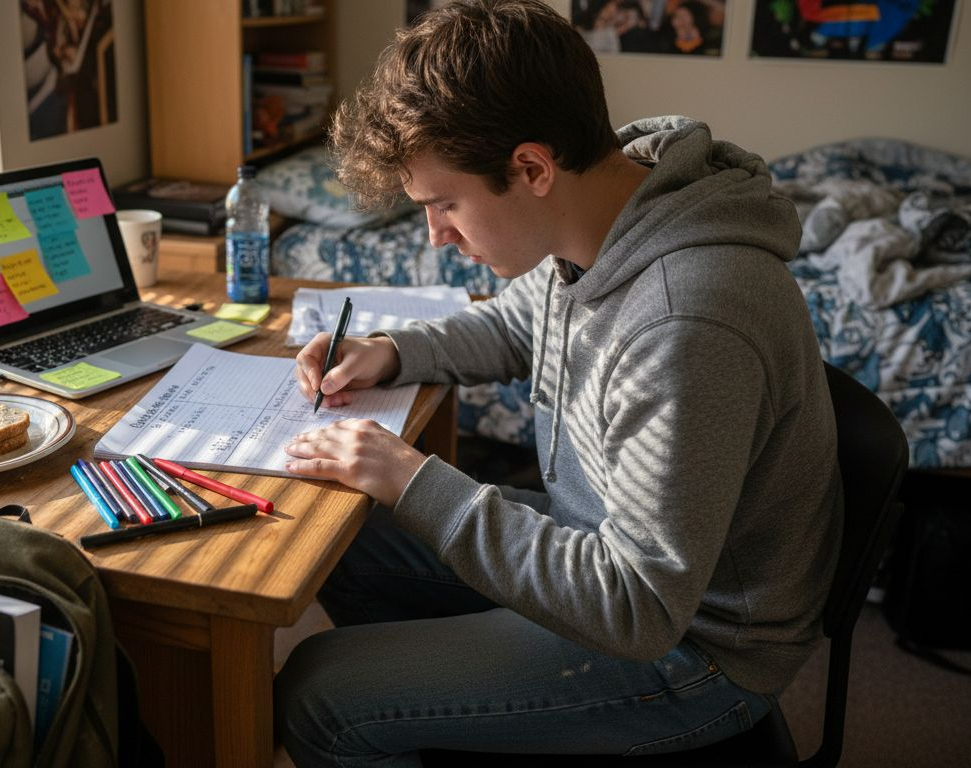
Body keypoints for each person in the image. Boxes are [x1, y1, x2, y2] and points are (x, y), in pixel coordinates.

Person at [273, 0, 843, 764]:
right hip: (609, 553)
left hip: (694, 649)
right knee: (344, 535)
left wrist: (415, 480)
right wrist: (390, 351)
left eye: (446, 204)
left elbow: (637, 607)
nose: (437, 236)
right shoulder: (610, 216)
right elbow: (516, 325)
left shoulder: (684, 320)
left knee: (320, 694)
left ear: (533, 167)